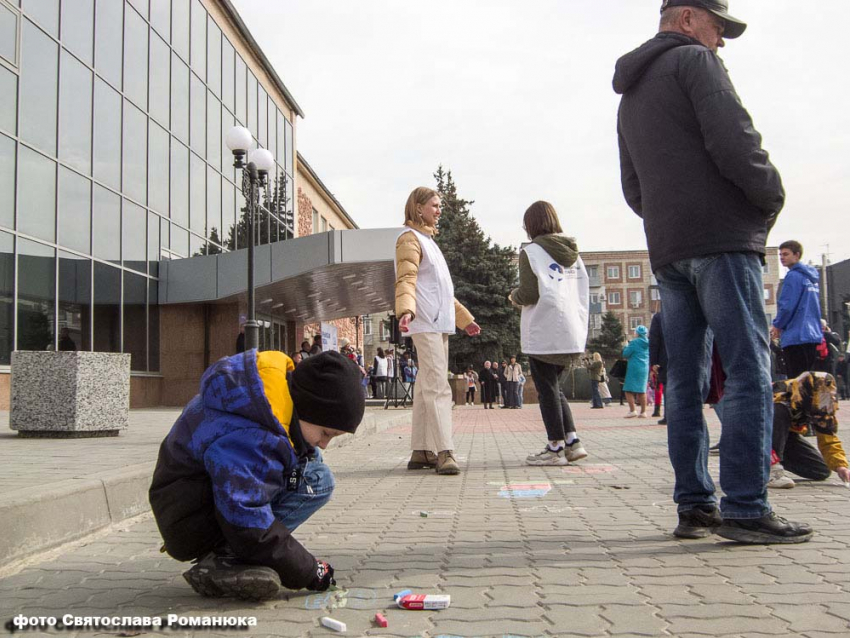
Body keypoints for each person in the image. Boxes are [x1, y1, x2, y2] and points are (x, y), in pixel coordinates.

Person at [614, 0, 812, 542]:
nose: (720, 40)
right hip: (723, 241)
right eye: (717, 27)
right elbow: (736, 139)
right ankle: (747, 508)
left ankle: (695, 505)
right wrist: (768, 197)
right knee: (749, 371)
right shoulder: (696, 63)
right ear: (686, 18)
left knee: (684, 382)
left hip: (669, 251)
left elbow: (633, 187)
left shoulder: (629, 95)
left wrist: (669, 218)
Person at [149, 350, 365, 601]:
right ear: (306, 408)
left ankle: (236, 553)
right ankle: (227, 558)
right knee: (316, 481)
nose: (324, 443)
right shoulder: (255, 435)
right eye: (326, 433)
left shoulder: (265, 400)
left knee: (311, 462)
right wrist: (307, 570)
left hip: (192, 504)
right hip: (188, 523)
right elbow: (245, 514)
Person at [395, 186, 481, 475]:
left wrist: (464, 319)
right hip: (425, 322)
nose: (439, 210)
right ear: (418, 208)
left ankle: (421, 450)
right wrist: (405, 310)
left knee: (424, 387)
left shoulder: (429, 242)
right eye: (434, 205)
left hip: (438, 322)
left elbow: (442, 291)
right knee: (438, 386)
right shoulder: (409, 239)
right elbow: (405, 279)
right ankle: (445, 451)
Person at [509, 200, 589, 467]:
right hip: (571, 330)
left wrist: (513, 296)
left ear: (531, 225)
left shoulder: (531, 252)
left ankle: (555, 446)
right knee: (555, 389)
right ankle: (573, 442)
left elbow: (530, 293)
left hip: (545, 330)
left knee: (546, 391)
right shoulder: (574, 254)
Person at [768, 372, 850, 489]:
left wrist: (840, 466)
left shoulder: (823, 403)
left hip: (782, 437)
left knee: (820, 470)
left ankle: (770, 460)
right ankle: (769, 469)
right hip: (755, 435)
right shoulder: (778, 392)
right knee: (780, 409)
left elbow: (828, 436)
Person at [770, 241, 822, 378]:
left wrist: (777, 325)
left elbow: (787, 305)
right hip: (812, 334)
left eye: (786, 254)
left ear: (797, 255)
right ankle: (808, 400)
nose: (782, 257)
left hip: (796, 334)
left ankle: (801, 400)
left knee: (796, 379)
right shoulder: (811, 278)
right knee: (808, 378)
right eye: (780, 254)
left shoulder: (792, 276)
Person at [622, 326, 650, 418]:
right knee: (642, 390)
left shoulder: (634, 342)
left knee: (628, 389)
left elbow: (625, 354)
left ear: (637, 333)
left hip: (634, 367)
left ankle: (632, 410)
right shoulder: (648, 342)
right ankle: (643, 412)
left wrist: (625, 345)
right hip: (645, 367)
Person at [649, 311, 668, 424]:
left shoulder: (659, 317)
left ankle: (668, 416)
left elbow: (654, 341)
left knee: (669, 389)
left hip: (665, 359)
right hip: (687, 358)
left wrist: (654, 362)